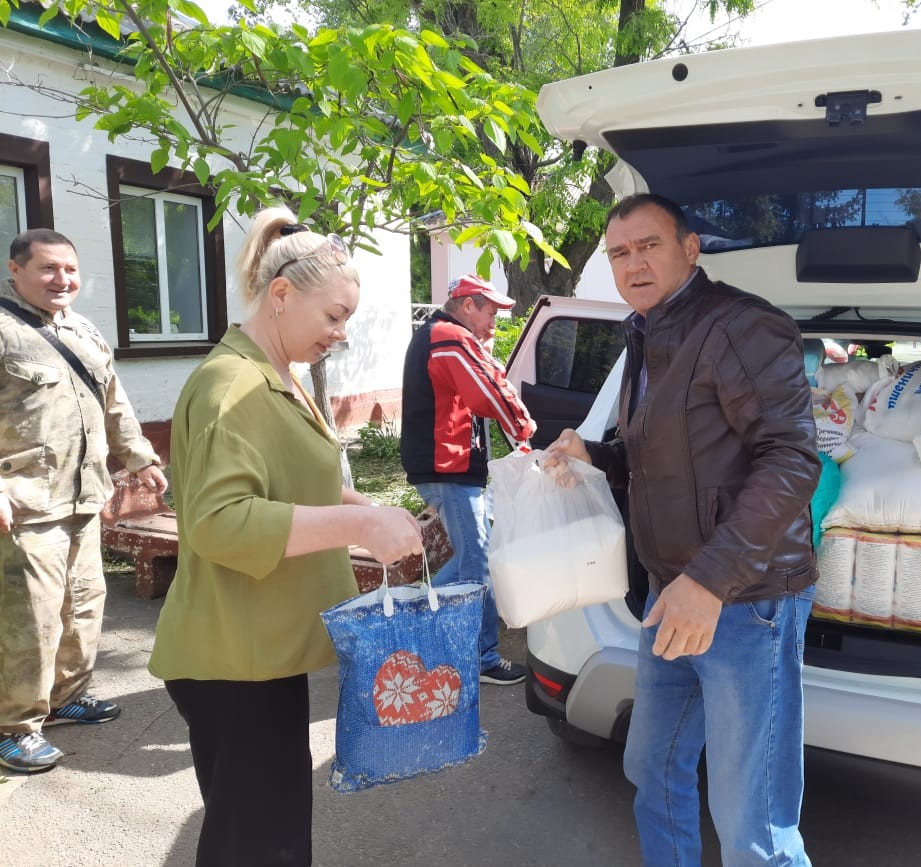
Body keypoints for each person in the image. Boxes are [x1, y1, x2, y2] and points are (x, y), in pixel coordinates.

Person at [545, 193, 821, 866]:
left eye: (649, 246)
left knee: (752, 818)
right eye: (619, 253)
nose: (633, 264)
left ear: (690, 247)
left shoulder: (739, 327)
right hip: (672, 595)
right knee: (653, 770)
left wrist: (709, 580)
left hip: (743, 597)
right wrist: (597, 456)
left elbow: (791, 459)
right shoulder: (648, 334)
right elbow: (662, 460)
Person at [148, 209, 423, 867]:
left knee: (264, 834)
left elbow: (294, 487)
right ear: (280, 295)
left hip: (259, 650)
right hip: (234, 659)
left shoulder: (274, 375)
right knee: (257, 846)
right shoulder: (232, 385)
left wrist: (372, 508)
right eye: (333, 315)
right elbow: (220, 521)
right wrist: (359, 524)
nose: (341, 333)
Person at [0, 229, 167, 774]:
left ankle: (68, 697)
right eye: (47, 269)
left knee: (84, 603)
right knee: (31, 620)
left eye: (69, 270)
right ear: (15, 271)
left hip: (84, 497)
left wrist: (139, 457)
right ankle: (14, 726)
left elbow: (114, 401)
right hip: (26, 505)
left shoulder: (83, 330)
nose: (61, 280)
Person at [401, 274, 537, 685]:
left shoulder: (446, 335)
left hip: (450, 466)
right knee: (478, 561)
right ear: (466, 305)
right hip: (448, 469)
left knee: (466, 558)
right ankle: (483, 658)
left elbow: (477, 388)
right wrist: (525, 429)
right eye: (490, 311)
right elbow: (487, 393)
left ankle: (410, 618)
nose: (494, 321)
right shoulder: (448, 336)